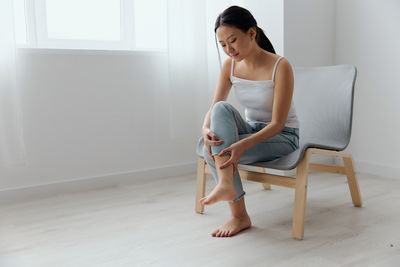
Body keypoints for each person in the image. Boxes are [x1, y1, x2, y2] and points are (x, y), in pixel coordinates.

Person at [196, 5, 300, 238]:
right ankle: (228, 187)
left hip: (282, 136)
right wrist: (205, 128)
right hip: (251, 128)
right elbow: (215, 106)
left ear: (251, 34)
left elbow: (278, 124)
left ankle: (238, 214)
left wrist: (242, 145)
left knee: (209, 151)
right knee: (220, 112)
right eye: (222, 45)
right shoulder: (229, 66)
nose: (228, 49)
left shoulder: (280, 66)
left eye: (232, 41)